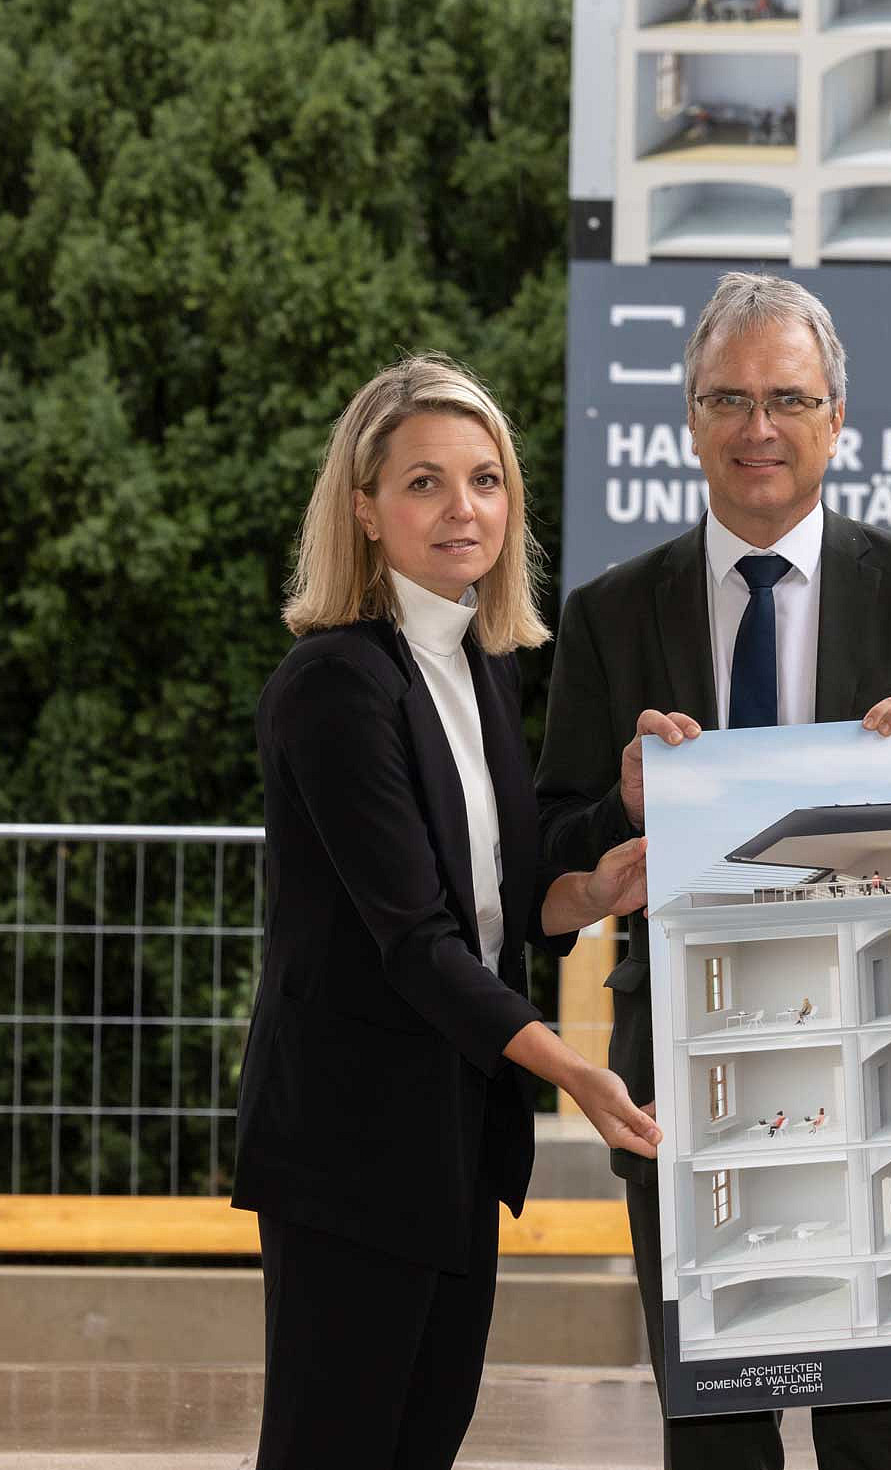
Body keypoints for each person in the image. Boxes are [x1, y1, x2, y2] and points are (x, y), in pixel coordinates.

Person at [537, 272, 891, 1470]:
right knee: (719, 1427)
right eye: (729, 398)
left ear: (836, 416)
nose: (758, 428)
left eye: (788, 397)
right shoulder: (606, 613)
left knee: (889, 1422)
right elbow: (552, 853)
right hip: (688, 1077)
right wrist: (619, 813)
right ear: (689, 419)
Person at [234, 358, 659, 1470]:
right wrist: (572, 1068)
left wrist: (595, 884)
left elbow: (498, 904)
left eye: (485, 478)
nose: (462, 507)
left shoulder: (474, 666)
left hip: (451, 1137)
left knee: (421, 1442)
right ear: (365, 508)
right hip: (352, 1143)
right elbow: (415, 940)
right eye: (425, 481)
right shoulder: (335, 683)